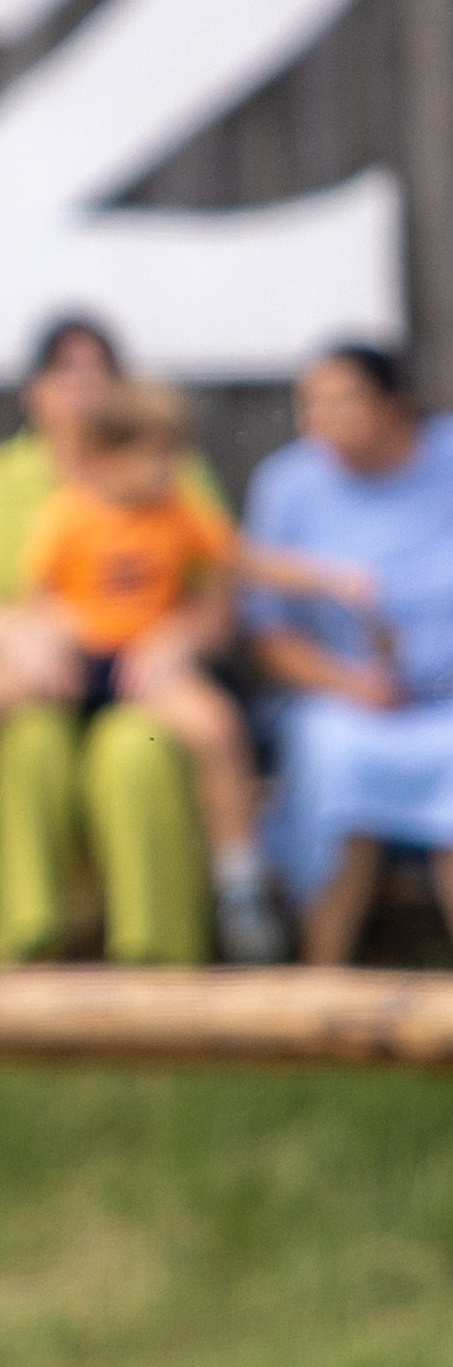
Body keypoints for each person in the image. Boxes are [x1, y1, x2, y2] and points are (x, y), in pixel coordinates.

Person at [0, 381, 358, 961]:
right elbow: (39, 595)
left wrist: (329, 579)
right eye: (155, 458)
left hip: (144, 663)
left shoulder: (178, 515)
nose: (168, 472)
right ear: (105, 456)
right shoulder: (67, 515)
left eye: (172, 457)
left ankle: (238, 880)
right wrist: (43, 640)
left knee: (216, 726)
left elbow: (241, 560)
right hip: (79, 658)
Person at [0, 319, 224, 963]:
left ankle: (158, 956)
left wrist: (175, 641)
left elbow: (218, 588)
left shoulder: (173, 468)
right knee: (27, 746)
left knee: (137, 752)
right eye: (64, 370)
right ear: (33, 390)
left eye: (97, 369)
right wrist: (23, 635)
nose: (82, 386)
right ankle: (24, 945)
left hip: (141, 684)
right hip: (39, 681)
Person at [245, 345, 453, 965]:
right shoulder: (287, 484)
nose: (322, 420)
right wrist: (352, 684)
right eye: (311, 404)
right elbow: (270, 637)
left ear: (395, 404)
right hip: (339, 700)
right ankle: (323, 983)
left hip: (443, 703)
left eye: (342, 401)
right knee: (339, 764)